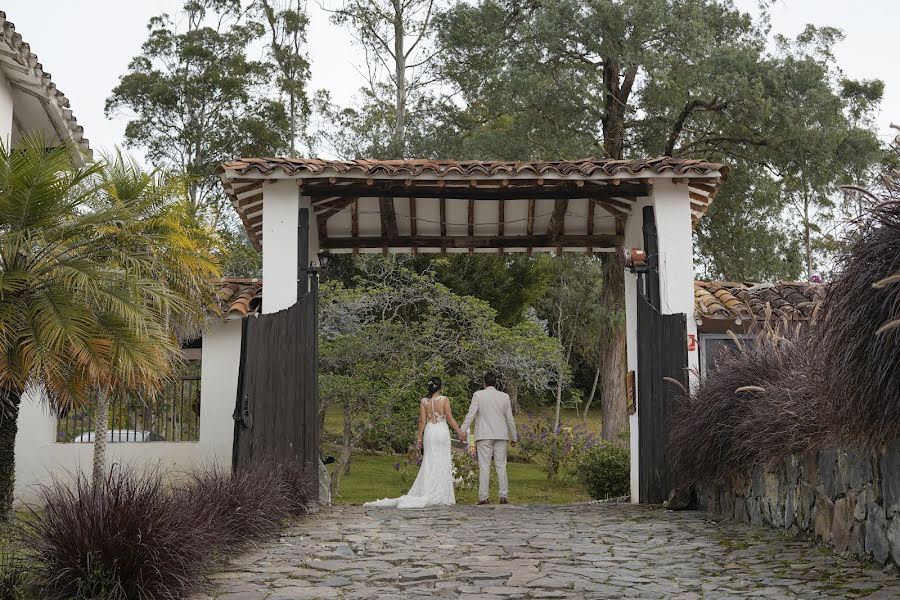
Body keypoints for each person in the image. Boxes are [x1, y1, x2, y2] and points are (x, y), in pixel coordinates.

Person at [365, 376, 464, 508]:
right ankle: (442, 493)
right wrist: (459, 432)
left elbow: (422, 421)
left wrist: (419, 438)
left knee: (429, 461)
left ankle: (428, 488)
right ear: (440, 387)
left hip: (430, 431)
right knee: (443, 460)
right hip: (441, 431)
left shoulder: (424, 401)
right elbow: (450, 418)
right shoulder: (444, 400)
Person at [459, 372, 518, 505]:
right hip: (501, 435)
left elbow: (471, 414)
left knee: (484, 466)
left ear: (484, 383)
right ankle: (503, 496)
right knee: (501, 466)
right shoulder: (504, 396)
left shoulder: (478, 395)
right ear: (496, 383)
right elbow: (510, 419)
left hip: (484, 435)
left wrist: (462, 430)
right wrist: (514, 437)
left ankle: (484, 497)